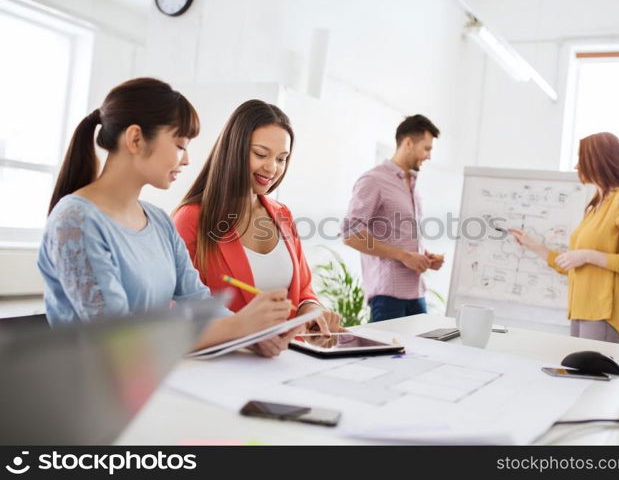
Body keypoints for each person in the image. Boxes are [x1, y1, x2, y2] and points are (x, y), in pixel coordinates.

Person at [38, 78, 302, 354]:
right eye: (179, 145)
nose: (186, 160)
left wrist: (253, 336)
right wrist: (239, 327)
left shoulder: (159, 221)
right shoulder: (74, 221)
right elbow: (117, 338)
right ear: (135, 139)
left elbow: (199, 302)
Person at [173, 99, 343, 353]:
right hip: (224, 369)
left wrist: (312, 313)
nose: (272, 168)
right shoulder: (191, 219)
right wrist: (246, 337)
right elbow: (175, 307)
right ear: (234, 150)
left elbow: (304, 289)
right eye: (261, 154)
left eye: (282, 159)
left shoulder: (282, 215)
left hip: (283, 364)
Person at [510, 132, 619, 343]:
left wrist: (589, 255)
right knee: (580, 375)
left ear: (598, 160)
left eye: (581, 158)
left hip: (606, 314)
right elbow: (573, 264)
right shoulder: (597, 204)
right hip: (582, 311)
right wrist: (532, 245)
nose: (577, 166)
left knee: (592, 376)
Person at [342, 114, 445, 322]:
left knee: (424, 353)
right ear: (408, 143)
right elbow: (350, 234)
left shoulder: (412, 185)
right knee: (387, 355)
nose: (429, 156)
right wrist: (404, 256)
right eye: (426, 148)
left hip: (416, 293)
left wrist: (423, 257)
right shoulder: (374, 180)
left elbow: (400, 238)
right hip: (388, 297)